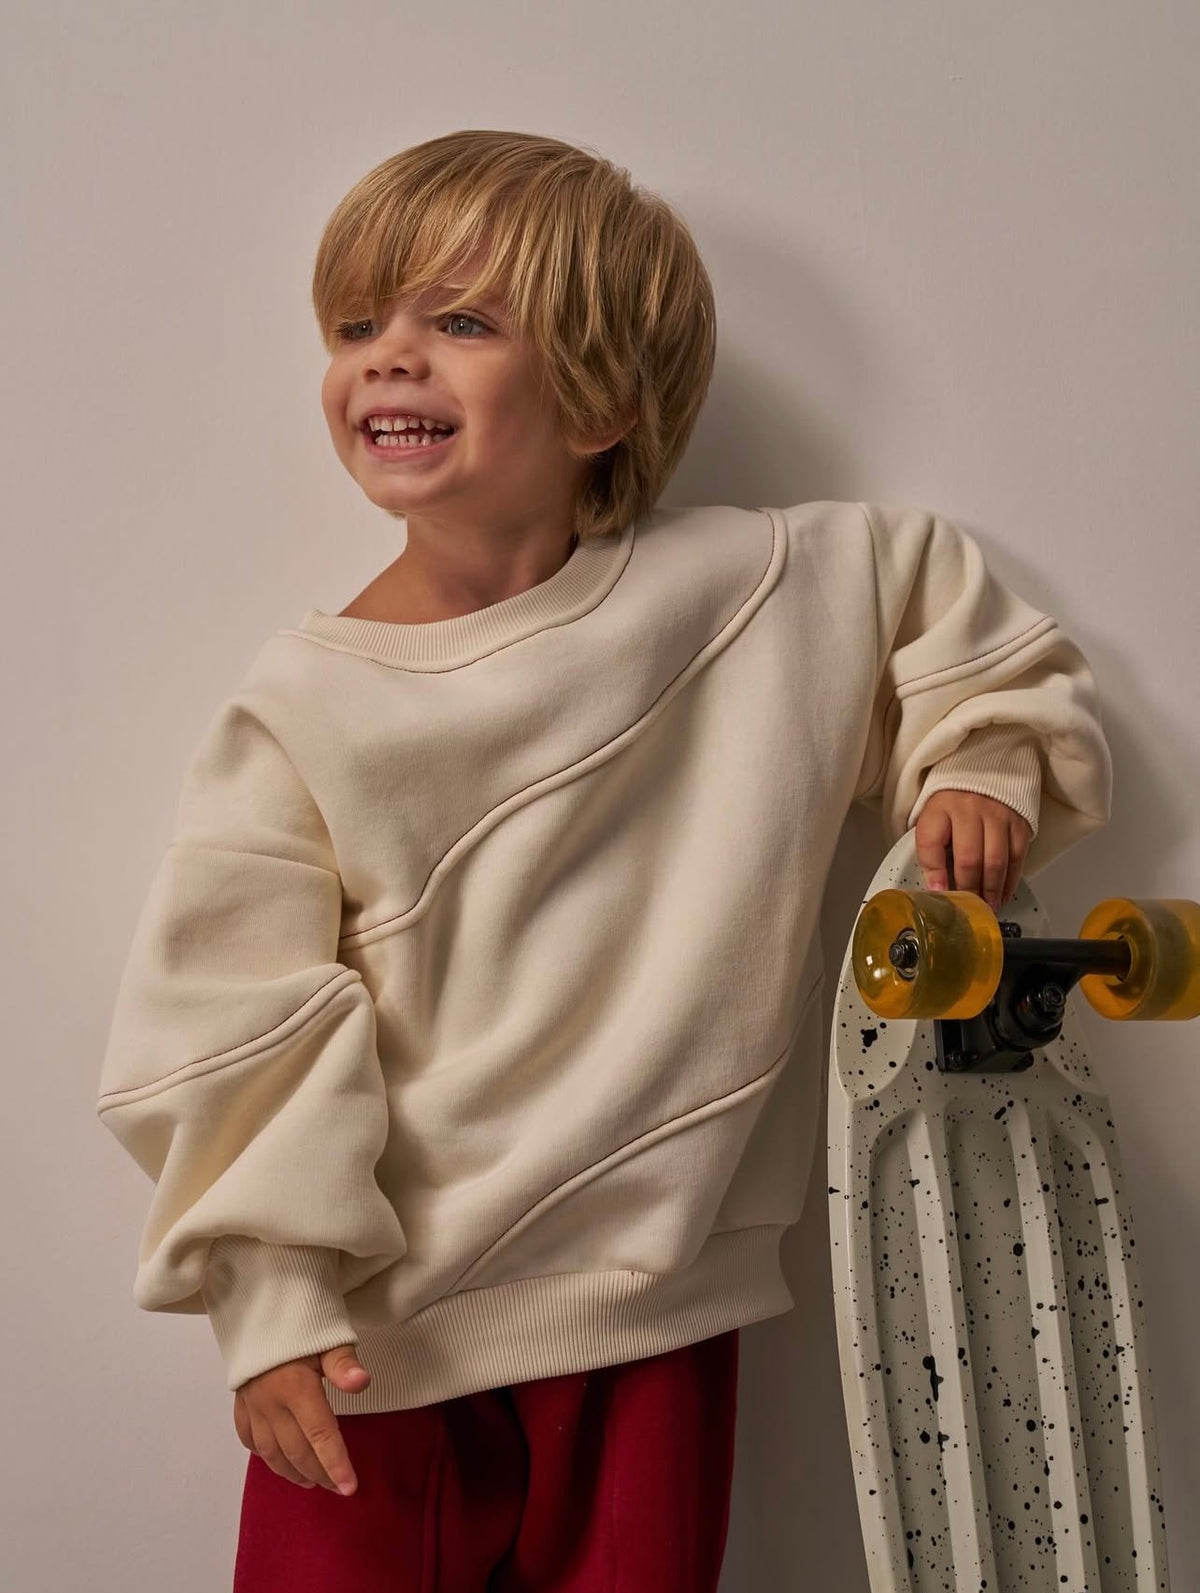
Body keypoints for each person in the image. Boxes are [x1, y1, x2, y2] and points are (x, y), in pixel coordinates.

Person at [95, 129, 1113, 1592]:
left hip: (657, 1319)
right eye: (356, 324)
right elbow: (224, 1023)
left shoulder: (751, 593)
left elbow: (937, 604)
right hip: (377, 1348)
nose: (388, 358)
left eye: (460, 320)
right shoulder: (307, 707)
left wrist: (977, 761)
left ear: (605, 402)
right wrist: (267, 1300)